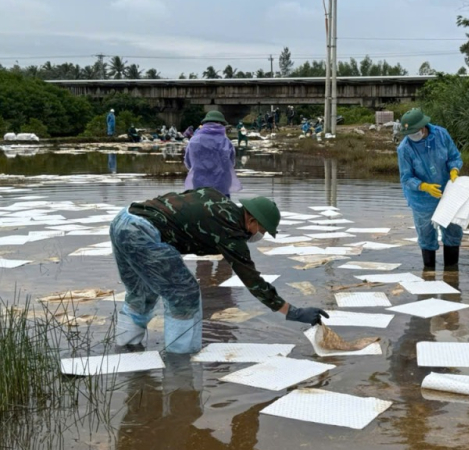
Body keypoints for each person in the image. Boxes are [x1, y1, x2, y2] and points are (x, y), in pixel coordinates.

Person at [110, 188, 329, 353]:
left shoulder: (218, 199)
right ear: (251, 220)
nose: (260, 234)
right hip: (142, 233)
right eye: (261, 229)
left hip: (123, 220)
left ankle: (127, 347)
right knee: (184, 295)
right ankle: (180, 360)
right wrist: (293, 312)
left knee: (141, 291)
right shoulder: (230, 232)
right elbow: (252, 281)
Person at [396, 108, 463, 270]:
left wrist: (454, 170)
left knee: (453, 230)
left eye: (414, 132)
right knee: (426, 234)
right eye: (408, 133)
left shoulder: (441, 135)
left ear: (423, 127)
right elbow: (406, 178)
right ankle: (429, 272)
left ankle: (452, 272)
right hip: (421, 200)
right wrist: (424, 186)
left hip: (447, 193)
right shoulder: (405, 149)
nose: (412, 136)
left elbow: (454, 157)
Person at [183, 111, 242, 198]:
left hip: (199, 184)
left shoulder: (194, 140)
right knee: (223, 209)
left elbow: (188, 163)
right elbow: (231, 163)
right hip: (222, 185)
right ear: (221, 124)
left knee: (201, 207)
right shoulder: (225, 141)